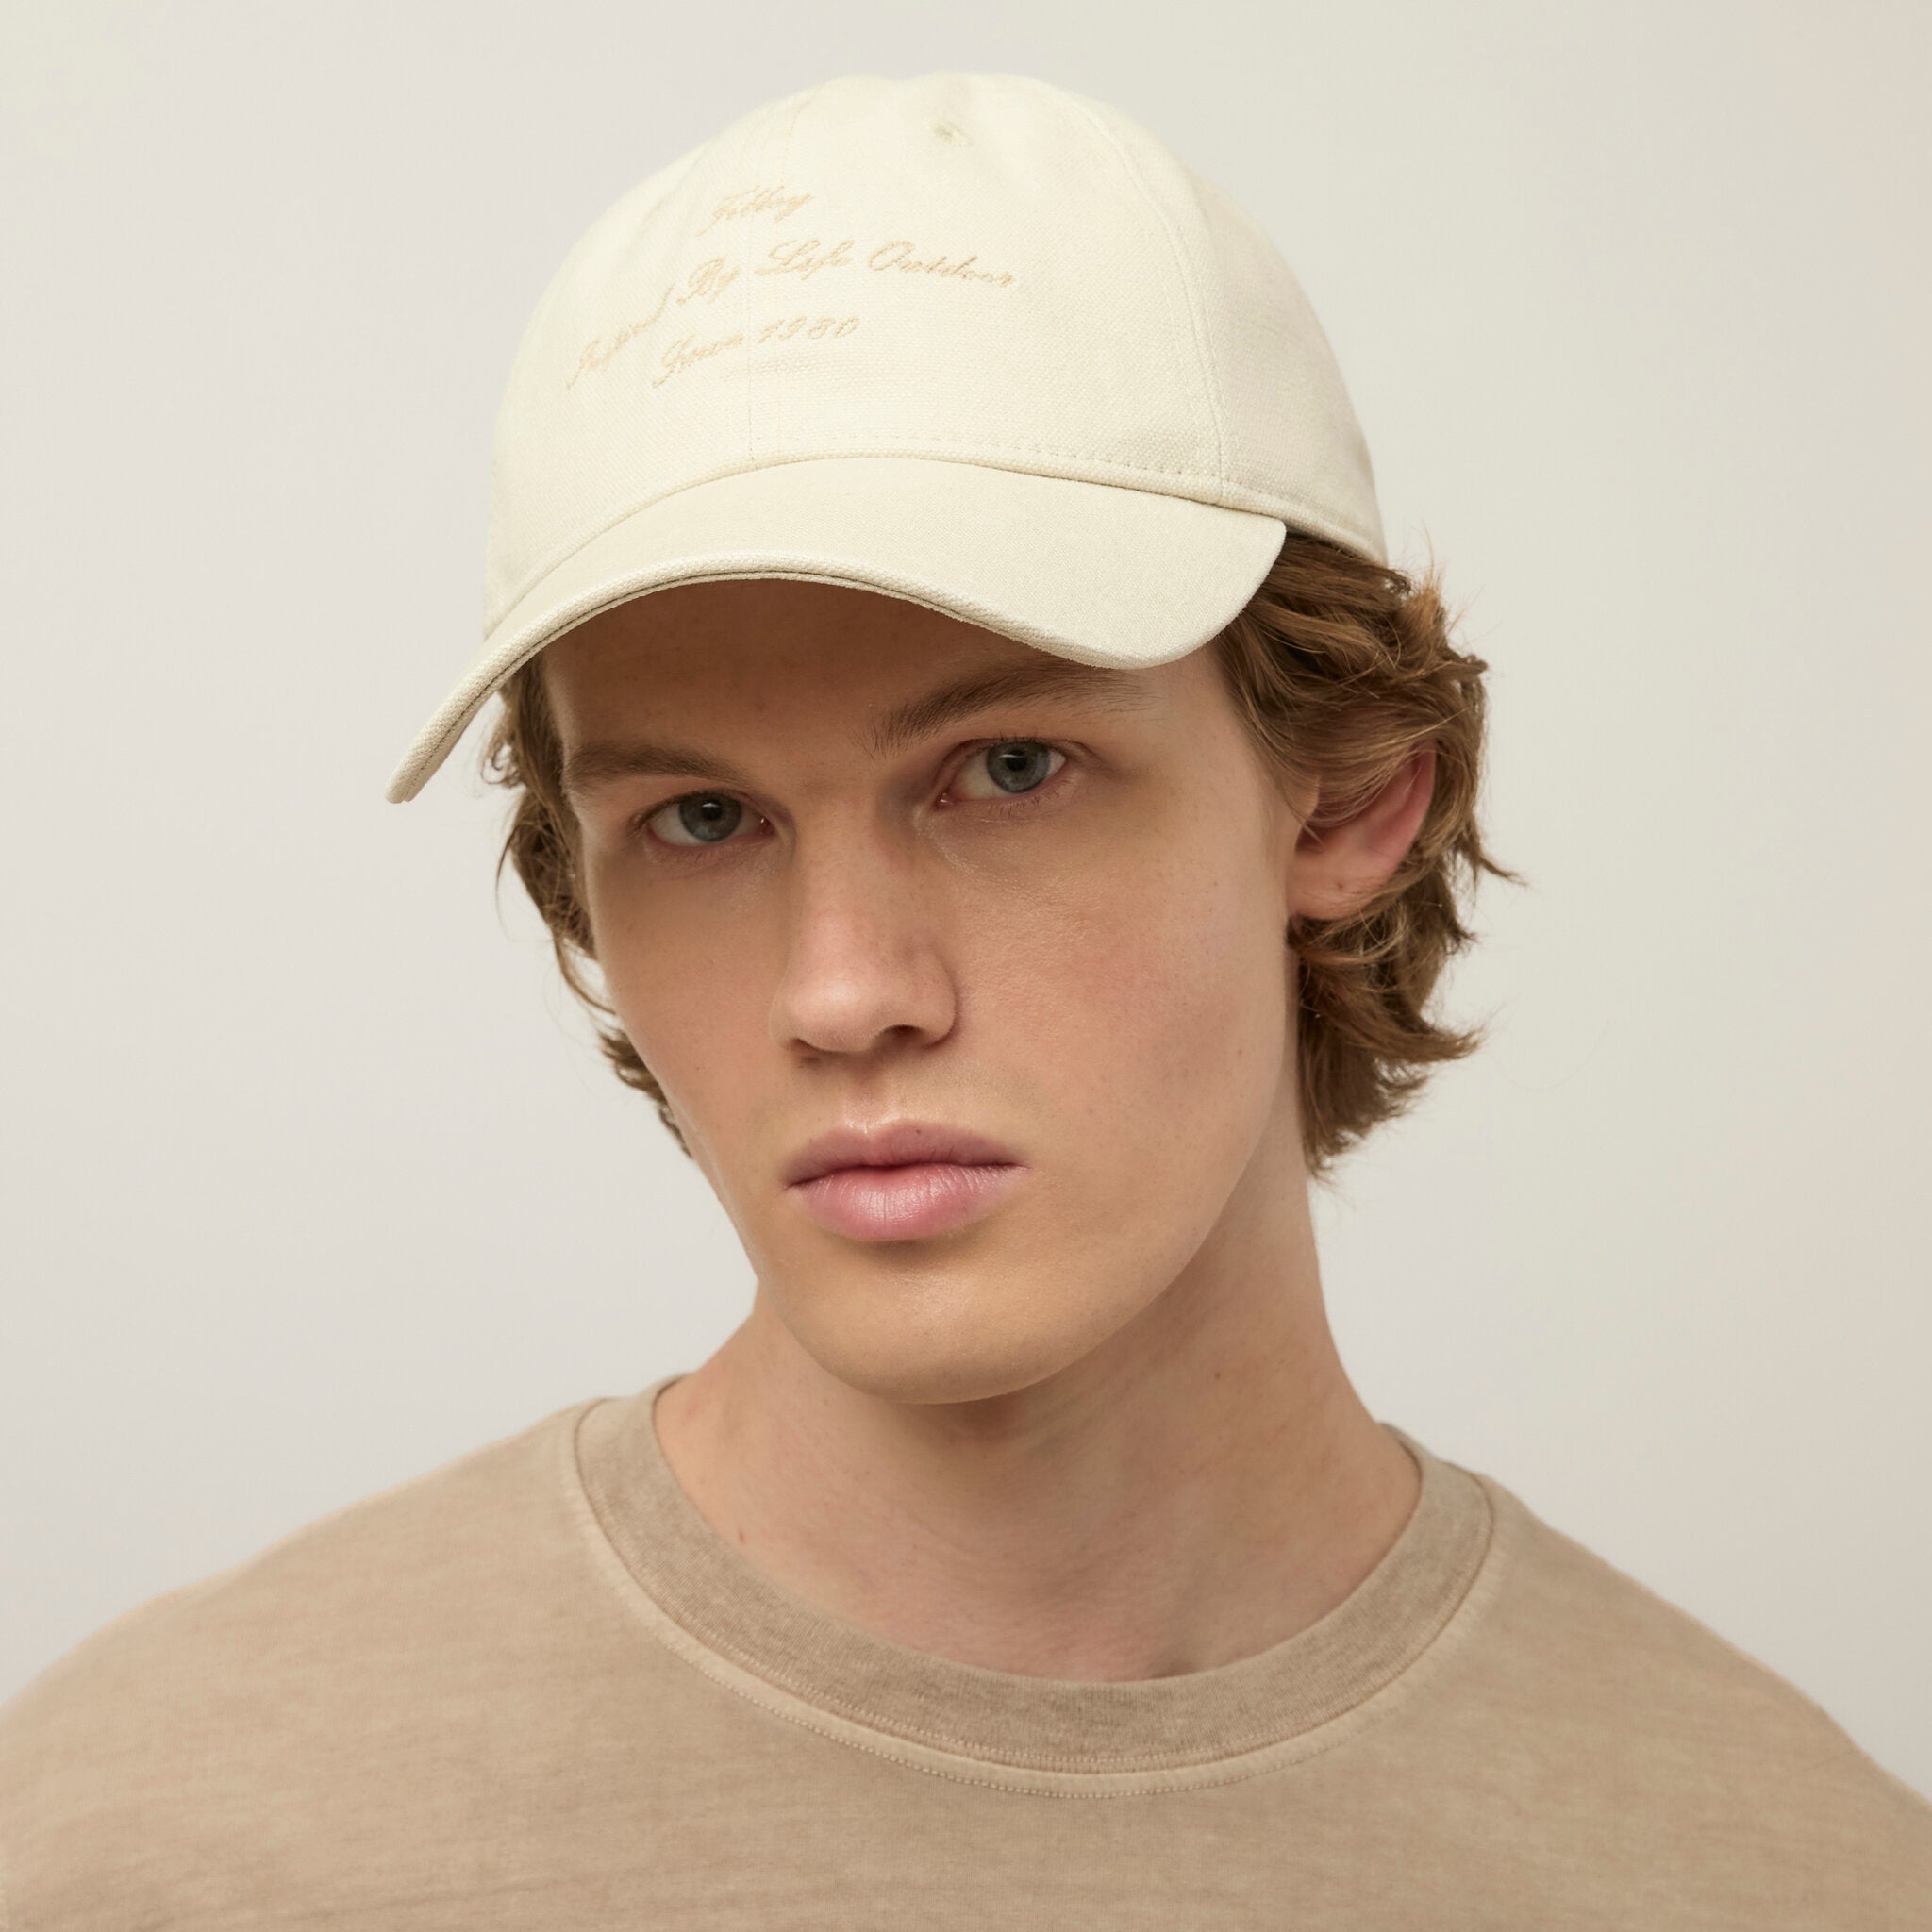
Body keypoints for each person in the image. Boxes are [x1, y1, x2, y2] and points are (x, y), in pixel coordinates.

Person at [3, 68, 1926, 1930]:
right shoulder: (133, 1847)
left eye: (1008, 769)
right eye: (698, 818)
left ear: (1348, 794)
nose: (845, 993)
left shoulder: (1795, 1880)